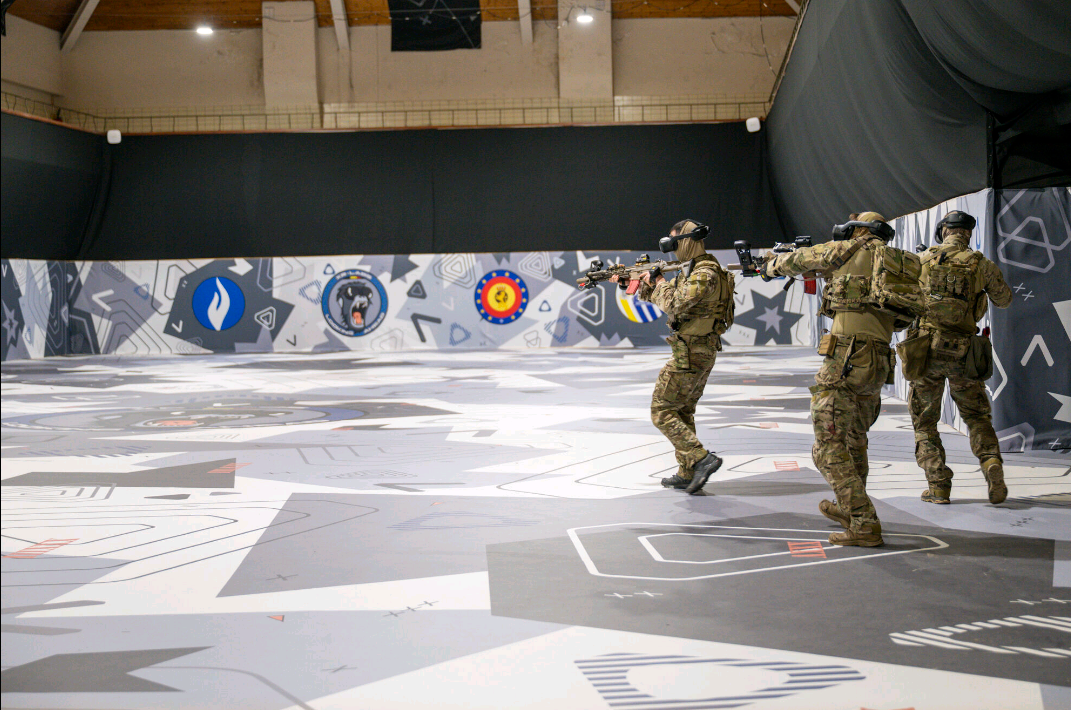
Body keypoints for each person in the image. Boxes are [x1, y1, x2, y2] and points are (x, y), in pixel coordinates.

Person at [760, 212, 923, 547]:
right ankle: (851, 511)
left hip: (846, 358)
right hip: (878, 360)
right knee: (855, 439)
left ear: (859, 230)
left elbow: (798, 260)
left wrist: (769, 265)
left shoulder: (848, 250)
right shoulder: (900, 262)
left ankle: (863, 522)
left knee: (826, 447)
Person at [614, 220, 735, 494]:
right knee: (682, 410)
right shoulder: (695, 269)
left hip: (692, 351)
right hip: (696, 349)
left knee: (662, 410)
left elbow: (674, 303)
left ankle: (702, 459)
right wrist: (635, 285)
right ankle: (688, 470)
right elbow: (670, 300)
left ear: (688, 240)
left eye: (675, 241)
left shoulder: (705, 273)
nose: (672, 249)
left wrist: (657, 281)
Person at [906, 210, 1013, 505]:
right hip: (964, 351)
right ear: (969, 232)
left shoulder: (923, 259)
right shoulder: (981, 263)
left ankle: (938, 486)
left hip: (926, 349)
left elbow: (904, 297)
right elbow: (1004, 300)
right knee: (977, 416)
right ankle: (991, 462)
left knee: (925, 422)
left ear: (944, 231)